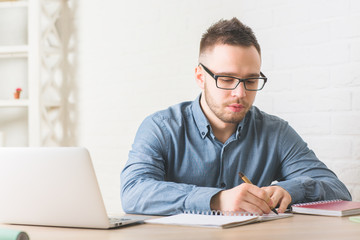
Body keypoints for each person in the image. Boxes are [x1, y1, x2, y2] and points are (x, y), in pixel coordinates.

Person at [120, 17, 351, 216]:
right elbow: (133, 192)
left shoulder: (276, 132)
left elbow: (338, 190)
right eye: (227, 79)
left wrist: (289, 190)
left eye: (251, 80)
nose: (240, 93)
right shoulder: (161, 127)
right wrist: (217, 200)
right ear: (200, 77)